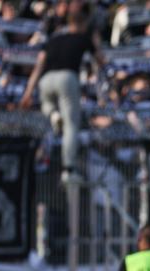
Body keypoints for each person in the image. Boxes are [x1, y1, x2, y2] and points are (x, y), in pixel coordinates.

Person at [20, 0, 105, 184]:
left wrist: (28, 92)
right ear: (82, 24)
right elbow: (101, 61)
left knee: (48, 106)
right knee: (71, 125)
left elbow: (38, 67)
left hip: (46, 80)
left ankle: (53, 115)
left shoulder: (54, 39)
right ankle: (69, 169)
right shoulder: (83, 38)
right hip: (67, 78)